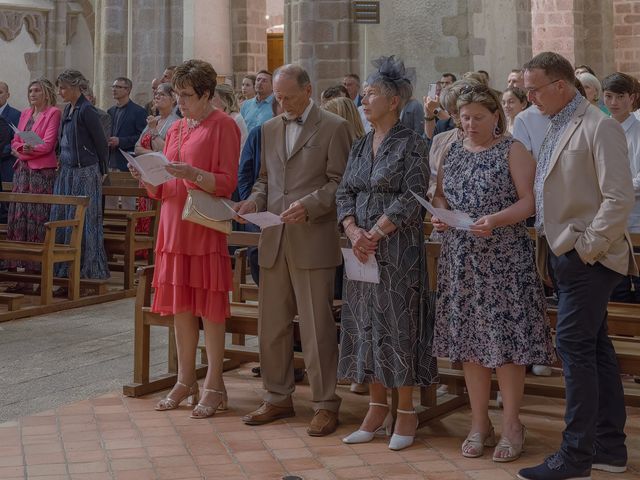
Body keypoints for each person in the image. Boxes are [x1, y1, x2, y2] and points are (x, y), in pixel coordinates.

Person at [517, 52, 636, 480]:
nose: (529, 97)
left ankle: (575, 457)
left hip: (590, 257)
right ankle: (609, 448)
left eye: (535, 88)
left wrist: (586, 248)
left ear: (561, 85)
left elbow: (619, 198)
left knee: (572, 347)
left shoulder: (598, 125)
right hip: (564, 251)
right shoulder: (556, 124)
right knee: (596, 350)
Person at [432, 83, 554, 463]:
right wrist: (439, 215)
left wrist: (495, 220)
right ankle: (479, 422)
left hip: (503, 259)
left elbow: (530, 201)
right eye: (464, 117)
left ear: (496, 116)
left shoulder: (512, 149)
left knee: (505, 345)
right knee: (471, 343)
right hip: (461, 259)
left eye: (478, 118)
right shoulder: (451, 150)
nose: (470, 124)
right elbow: (439, 194)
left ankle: (513, 423)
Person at [235, 64, 352, 437]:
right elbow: (265, 180)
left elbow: (341, 183)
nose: (280, 102)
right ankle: (277, 395)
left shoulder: (334, 126)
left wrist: (311, 205)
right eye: (277, 97)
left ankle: (324, 403)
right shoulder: (268, 128)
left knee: (317, 328)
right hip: (273, 238)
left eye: (287, 96)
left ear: (308, 89)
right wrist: (252, 202)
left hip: (312, 238)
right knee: (271, 325)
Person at [336, 55, 437, 451]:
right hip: (361, 248)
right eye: (362, 94)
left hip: (397, 249)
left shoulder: (413, 142)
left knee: (398, 323)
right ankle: (376, 408)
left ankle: (406, 411)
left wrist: (374, 232)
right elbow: (344, 190)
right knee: (364, 322)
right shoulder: (361, 144)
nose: (363, 100)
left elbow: (414, 195)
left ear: (394, 101)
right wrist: (352, 229)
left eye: (371, 93)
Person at [130, 59, 240, 419]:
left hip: (203, 225)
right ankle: (185, 379)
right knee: (181, 308)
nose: (180, 102)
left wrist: (193, 173)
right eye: (177, 95)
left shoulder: (223, 125)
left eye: (188, 95)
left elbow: (227, 183)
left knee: (210, 310)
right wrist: (146, 175)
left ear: (207, 94)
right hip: (174, 224)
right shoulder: (175, 129)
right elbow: (164, 187)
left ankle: (214, 384)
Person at [50, 69, 109, 281]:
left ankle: (88, 267)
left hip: (86, 172)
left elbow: (101, 143)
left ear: (76, 87)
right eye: (59, 87)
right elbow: (62, 139)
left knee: (85, 221)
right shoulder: (67, 109)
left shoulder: (87, 110)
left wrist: (103, 170)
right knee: (64, 218)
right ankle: (64, 267)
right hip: (66, 171)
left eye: (64, 87)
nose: (60, 91)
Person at [6, 78, 61, 291]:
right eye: (30, 90)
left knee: (38, 220)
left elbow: (48, 144)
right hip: (22, 173)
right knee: (21, 220)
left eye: (37, 90)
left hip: (41, 174)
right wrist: (22, 150)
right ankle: (23, 278)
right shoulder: (25, 113)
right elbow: (15, 141)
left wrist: (26, 152)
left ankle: (39, 276)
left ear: (46, 93)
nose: (33, 94)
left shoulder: (53, 113)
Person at [602, 73, 640, 302]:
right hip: (607, 217)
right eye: (608, 96)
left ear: (632, 97)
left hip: (635, 215)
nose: (614, 103)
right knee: (615, 284)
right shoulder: (599, 129)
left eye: (620, 96)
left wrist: (616, 190)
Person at [426, 79, 477, 201]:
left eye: (460, 110)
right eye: (453, 112)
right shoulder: (441, 139)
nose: (459, 117)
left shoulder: (499, 140)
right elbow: (433, 182)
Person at [107, 77, 148, 172]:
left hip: (127, 163)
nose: (114, 89)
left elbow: (143, 137)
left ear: (128, 90)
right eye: (113, 86)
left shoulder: (139, 111)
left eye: (118, 87)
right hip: (109, 162)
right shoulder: (110, 111)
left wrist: (120, 141)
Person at [0, 81, 21, 223]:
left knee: (7, 203)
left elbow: (18, 139)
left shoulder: (16, 115)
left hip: (7, 163)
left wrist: (4, 150)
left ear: (8, 95)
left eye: (0, 92)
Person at [212, 83, 248, 153]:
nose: (210, 99)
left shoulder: (236, 118)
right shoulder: (213, 117)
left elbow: (242, 144)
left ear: (224, 98)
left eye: (214, 96)